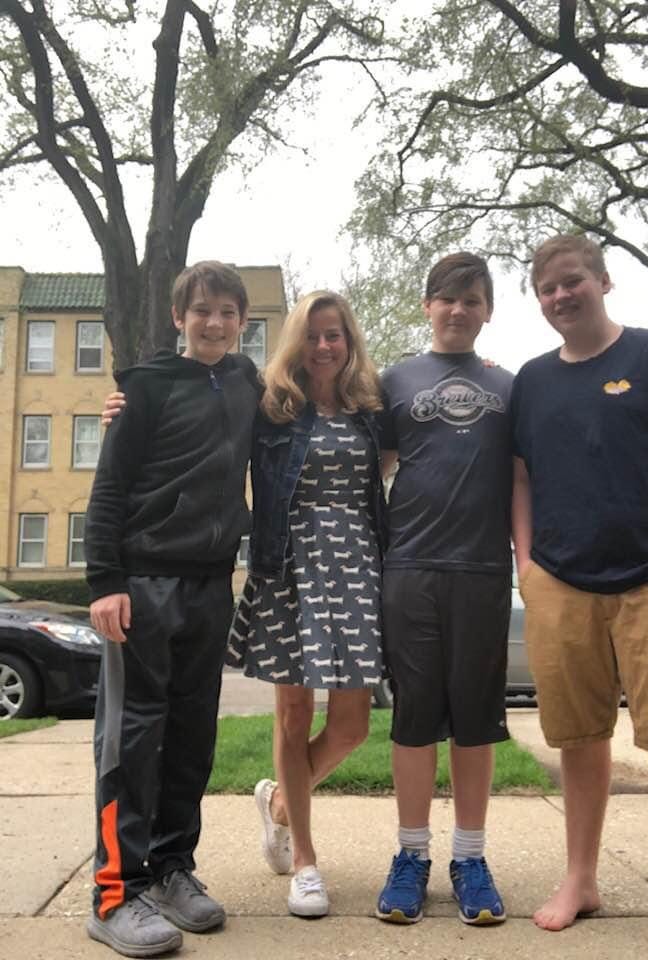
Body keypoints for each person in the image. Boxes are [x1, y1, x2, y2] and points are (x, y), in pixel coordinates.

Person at [511, 233, 648, 953]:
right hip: (561, 583)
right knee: (577, 737)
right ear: (538, 302)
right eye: (547, 289)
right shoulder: (533, 381)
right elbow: (520, 475)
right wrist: (526, 565)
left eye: (572, 281)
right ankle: (580, 878)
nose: (561, 296)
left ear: (602, 281)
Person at [84, 261, 259, 958]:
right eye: (201, 311)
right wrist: (104, 582)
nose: (213, 322)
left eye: (226, 311)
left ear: (242, 321)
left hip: (210, 584)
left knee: (191, 736)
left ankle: (169, 869)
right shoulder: (147, 388)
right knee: (131, 738)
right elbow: (110, 489)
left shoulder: (248, 382)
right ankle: (112, 891)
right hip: (143, 581)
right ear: (178, 318)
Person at [226, 290, 386, 918]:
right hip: (289, 564)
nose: (324, 346)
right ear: (298, 341)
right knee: (293, 715)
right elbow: (201, 423)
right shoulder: (270, 407)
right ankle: (305, 860)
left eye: (335, 335)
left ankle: (277, 807)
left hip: (358, 567)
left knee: (352, 726)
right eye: (314, 335)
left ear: (349, 342)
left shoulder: (372, 406)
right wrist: (127, 414)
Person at [375, 252, 513, 925]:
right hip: (408, 570)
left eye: (472, 299)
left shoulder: (511, 386)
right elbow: (370, 468)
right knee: (414, 717)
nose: (458, 310)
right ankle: (409, 857)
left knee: (475, 720)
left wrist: (528, 555)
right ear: (426, 304)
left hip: (483, 573)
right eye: (446, 298)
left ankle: (469, 857)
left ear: (487, 310)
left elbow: (521, 476)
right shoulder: (393, 380)